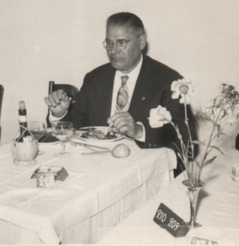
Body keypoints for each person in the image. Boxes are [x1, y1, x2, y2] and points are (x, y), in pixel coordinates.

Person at [44, 12, 197, 176]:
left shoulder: (170, 82)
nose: (113, 51)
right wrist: (60, 114)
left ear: (142, 42)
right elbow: (75, 127)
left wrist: (140, 132)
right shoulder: (95, 78)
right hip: (95, 170)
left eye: (121, 43)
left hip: (143, 173)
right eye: (109, 43)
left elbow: (189, 146)